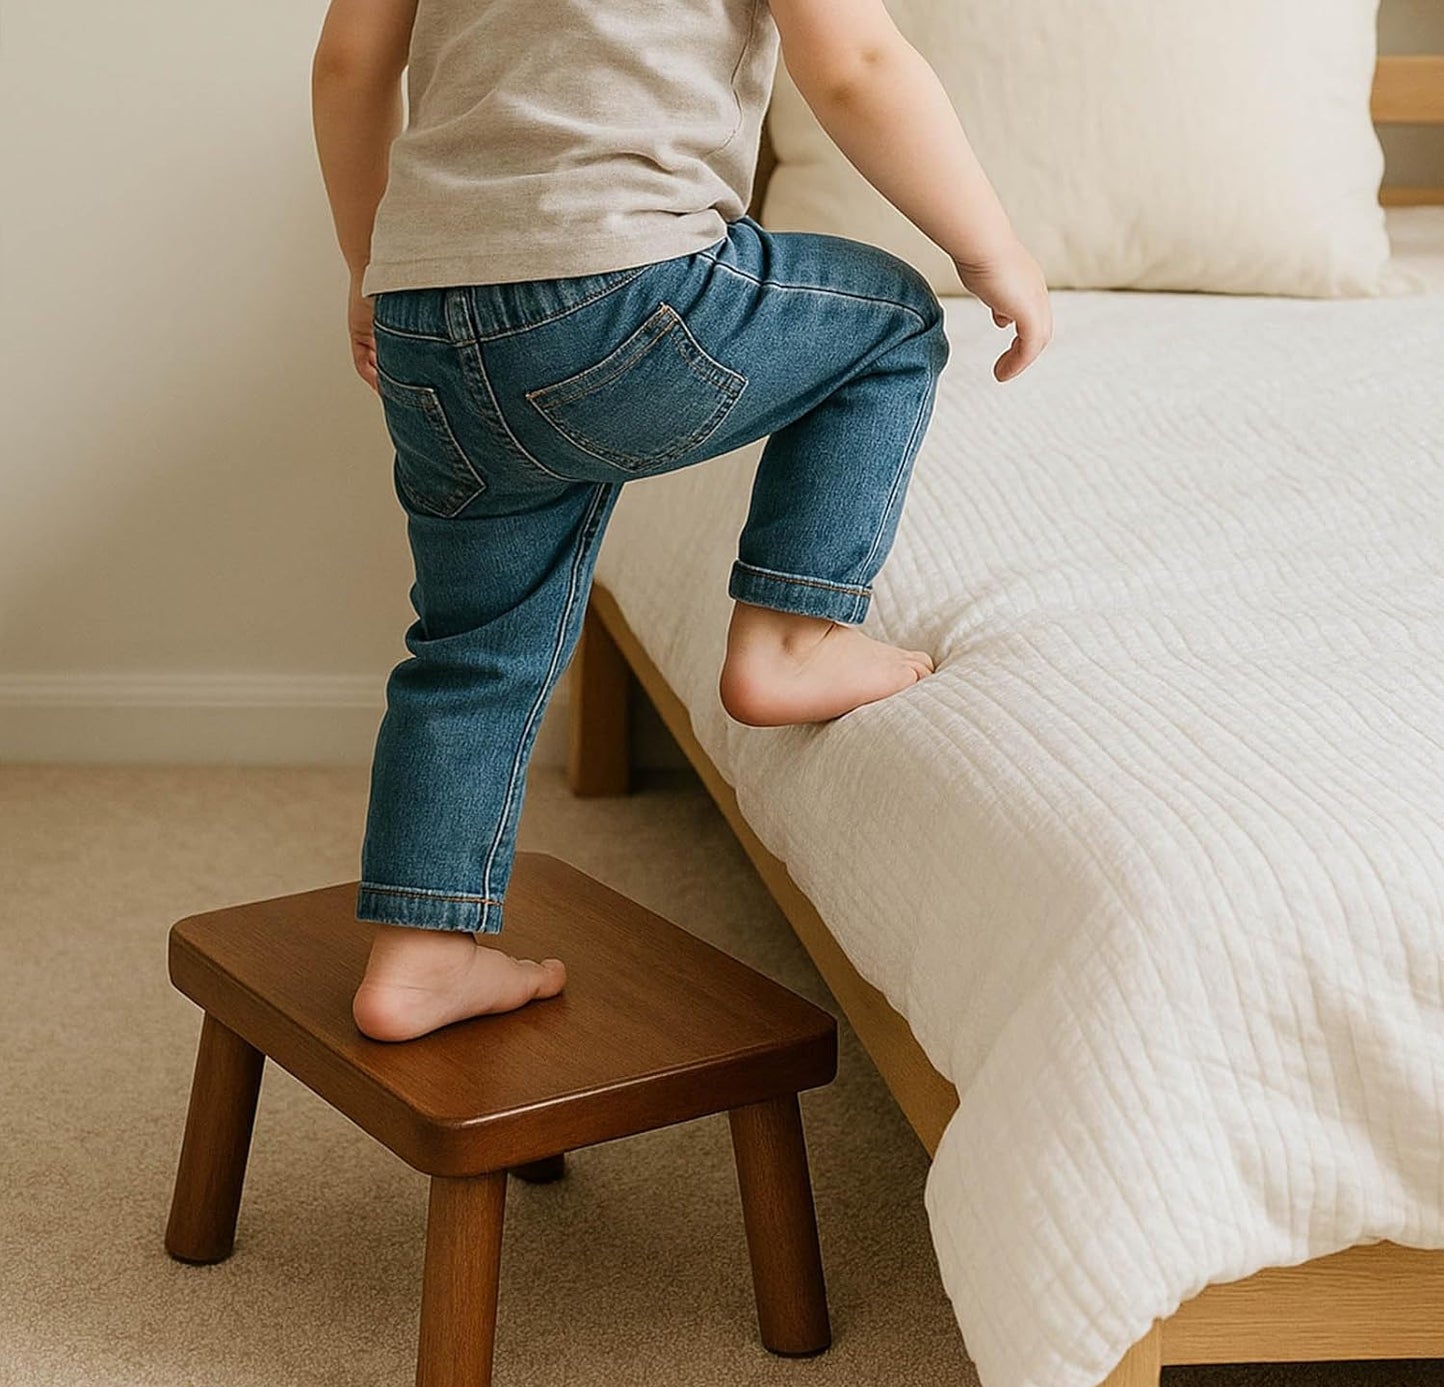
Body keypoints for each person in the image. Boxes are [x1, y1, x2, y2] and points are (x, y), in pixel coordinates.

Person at [311, 0, 1052, 1041]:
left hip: (427, 309)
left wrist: (366, 266)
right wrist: (989, 247)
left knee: (470, 647)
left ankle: (419, 954)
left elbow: (349, 65)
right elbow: (856, 63)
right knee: (888, 320)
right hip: (622, 290)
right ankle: (791, 635)